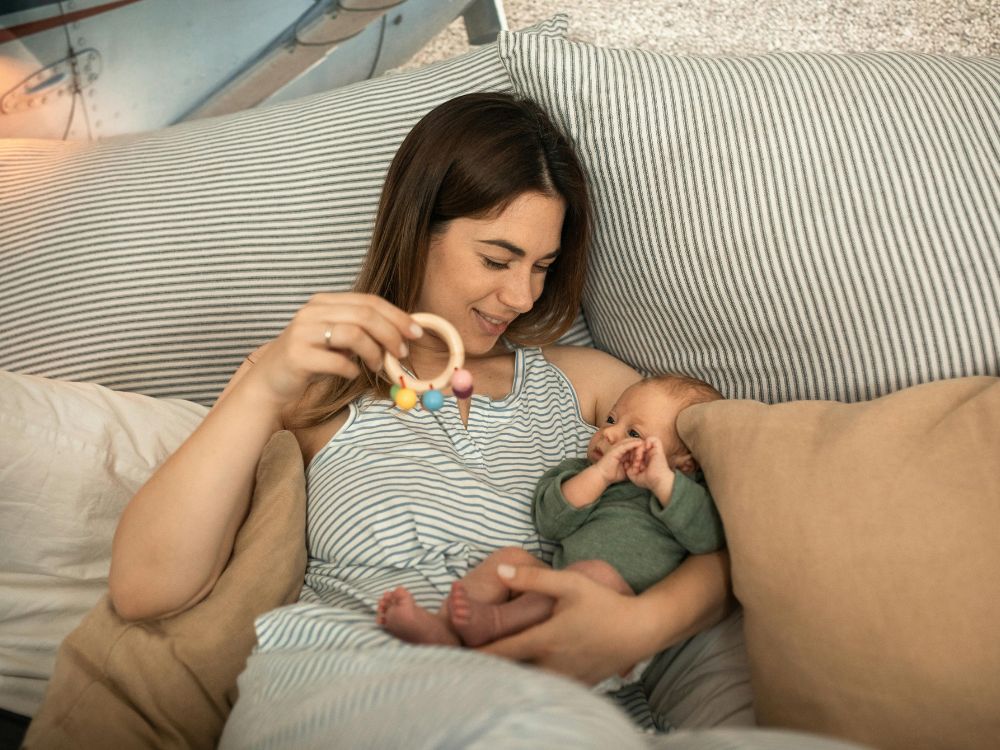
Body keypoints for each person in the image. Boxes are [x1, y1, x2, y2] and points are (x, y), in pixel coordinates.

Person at [109, 91, 751, 747]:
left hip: (564, 706)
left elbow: (740, 534)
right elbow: (145, 589)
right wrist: (262, 384)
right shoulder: (312, 387)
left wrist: (645, 626)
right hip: (358, 682)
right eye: (497, 260)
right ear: (418, 228)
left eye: (542, 266)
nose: (522, 295)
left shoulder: (593, 391)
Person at [376, 374, 726, 670]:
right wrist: (601, 476)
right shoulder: (584, 475)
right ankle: (441, 627)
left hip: (615, 619)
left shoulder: (684, 492)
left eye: (633, 434)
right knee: (509, 560)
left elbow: (708, 538)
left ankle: (494, 624)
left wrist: (662, 482)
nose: (610, 434)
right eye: (610, 420)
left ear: (684, 463)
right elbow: (550, 522)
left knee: (597, 574)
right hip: (556, 584)